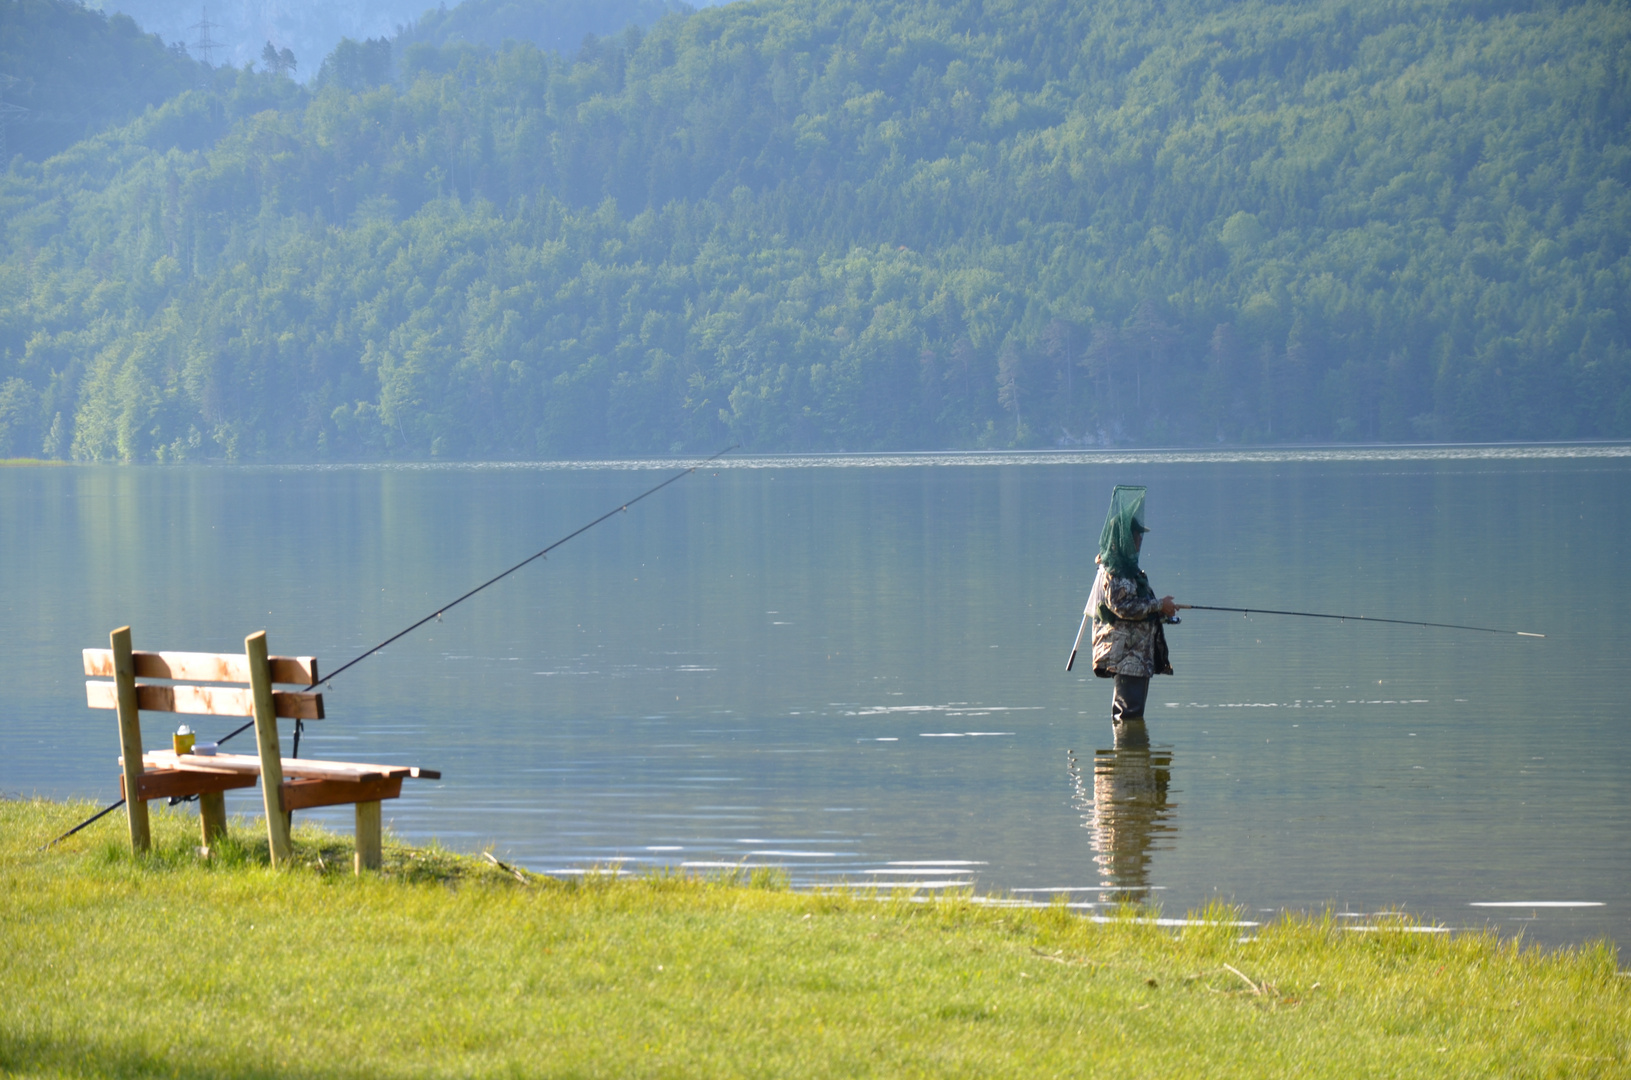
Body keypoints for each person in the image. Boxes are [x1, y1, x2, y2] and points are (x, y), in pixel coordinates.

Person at [1087, 485, 1177, 736]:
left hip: (1137, 657)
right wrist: (1158, 605)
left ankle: (1130, 766)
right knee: (1127, 715)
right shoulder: (1115, 570)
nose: (1139, 540)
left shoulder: (1127, 568)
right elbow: (1122, 607)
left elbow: (1134, 608)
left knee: (1132, 714)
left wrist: (1161, 610)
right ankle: (1123, 771)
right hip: (1128, 657)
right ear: (1126, 536)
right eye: (1136, 535)